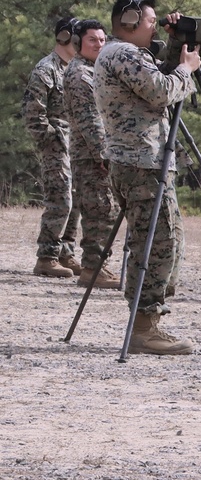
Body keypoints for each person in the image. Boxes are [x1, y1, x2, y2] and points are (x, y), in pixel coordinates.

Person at [94, 0, 201, 355]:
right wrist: (188, 69)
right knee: (157, 242)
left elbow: (158, 76)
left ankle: (148, 322)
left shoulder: (124, 54)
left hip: (139, 160)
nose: (155, 26)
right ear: (127, 21)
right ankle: (143, 327)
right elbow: (160, 90)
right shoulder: (123, 53)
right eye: (151, 21)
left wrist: (175, 45)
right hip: (141, 162)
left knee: (158, 238)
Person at [22, 17, 83, 278]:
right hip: (56, 144)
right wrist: (52, 141)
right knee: (61, 201)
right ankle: (46, 257)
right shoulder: (46, 69)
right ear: (65, 37)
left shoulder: (77, 69)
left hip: (76, 145)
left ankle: (64, 252)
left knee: (77, 200)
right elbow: (33, 115)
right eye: (78, 36)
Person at [63, 19, 119, 290]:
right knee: (99, 209)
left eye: (101, 39)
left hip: (97, 152)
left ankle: (96, 265)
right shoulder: (79, 75)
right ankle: (93, 268)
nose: (99, 44)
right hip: (90, 155)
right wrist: (104, 155)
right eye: (92, 40)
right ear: (78, 44)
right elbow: (89, 121)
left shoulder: (94, 69)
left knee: (104, 208)